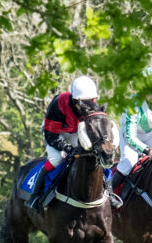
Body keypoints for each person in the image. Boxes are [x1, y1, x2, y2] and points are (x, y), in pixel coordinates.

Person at [26, 75, 102, 210]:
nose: (89, 106)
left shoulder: (92, 104)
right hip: (55, 132)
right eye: (85, 102)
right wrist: (67, 148)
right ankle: (35, 195)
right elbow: (51, 136)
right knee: (57, 159)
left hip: (75, 131)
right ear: (75, 100)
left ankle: (107, 190)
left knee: (91, 155)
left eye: (92, 100)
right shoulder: (59, 104)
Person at [110, 66, 152, 191]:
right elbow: (130, 137)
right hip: (130, 137)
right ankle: (107, 192)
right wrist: (147, 151)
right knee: (128, 165)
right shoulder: (134, 105)